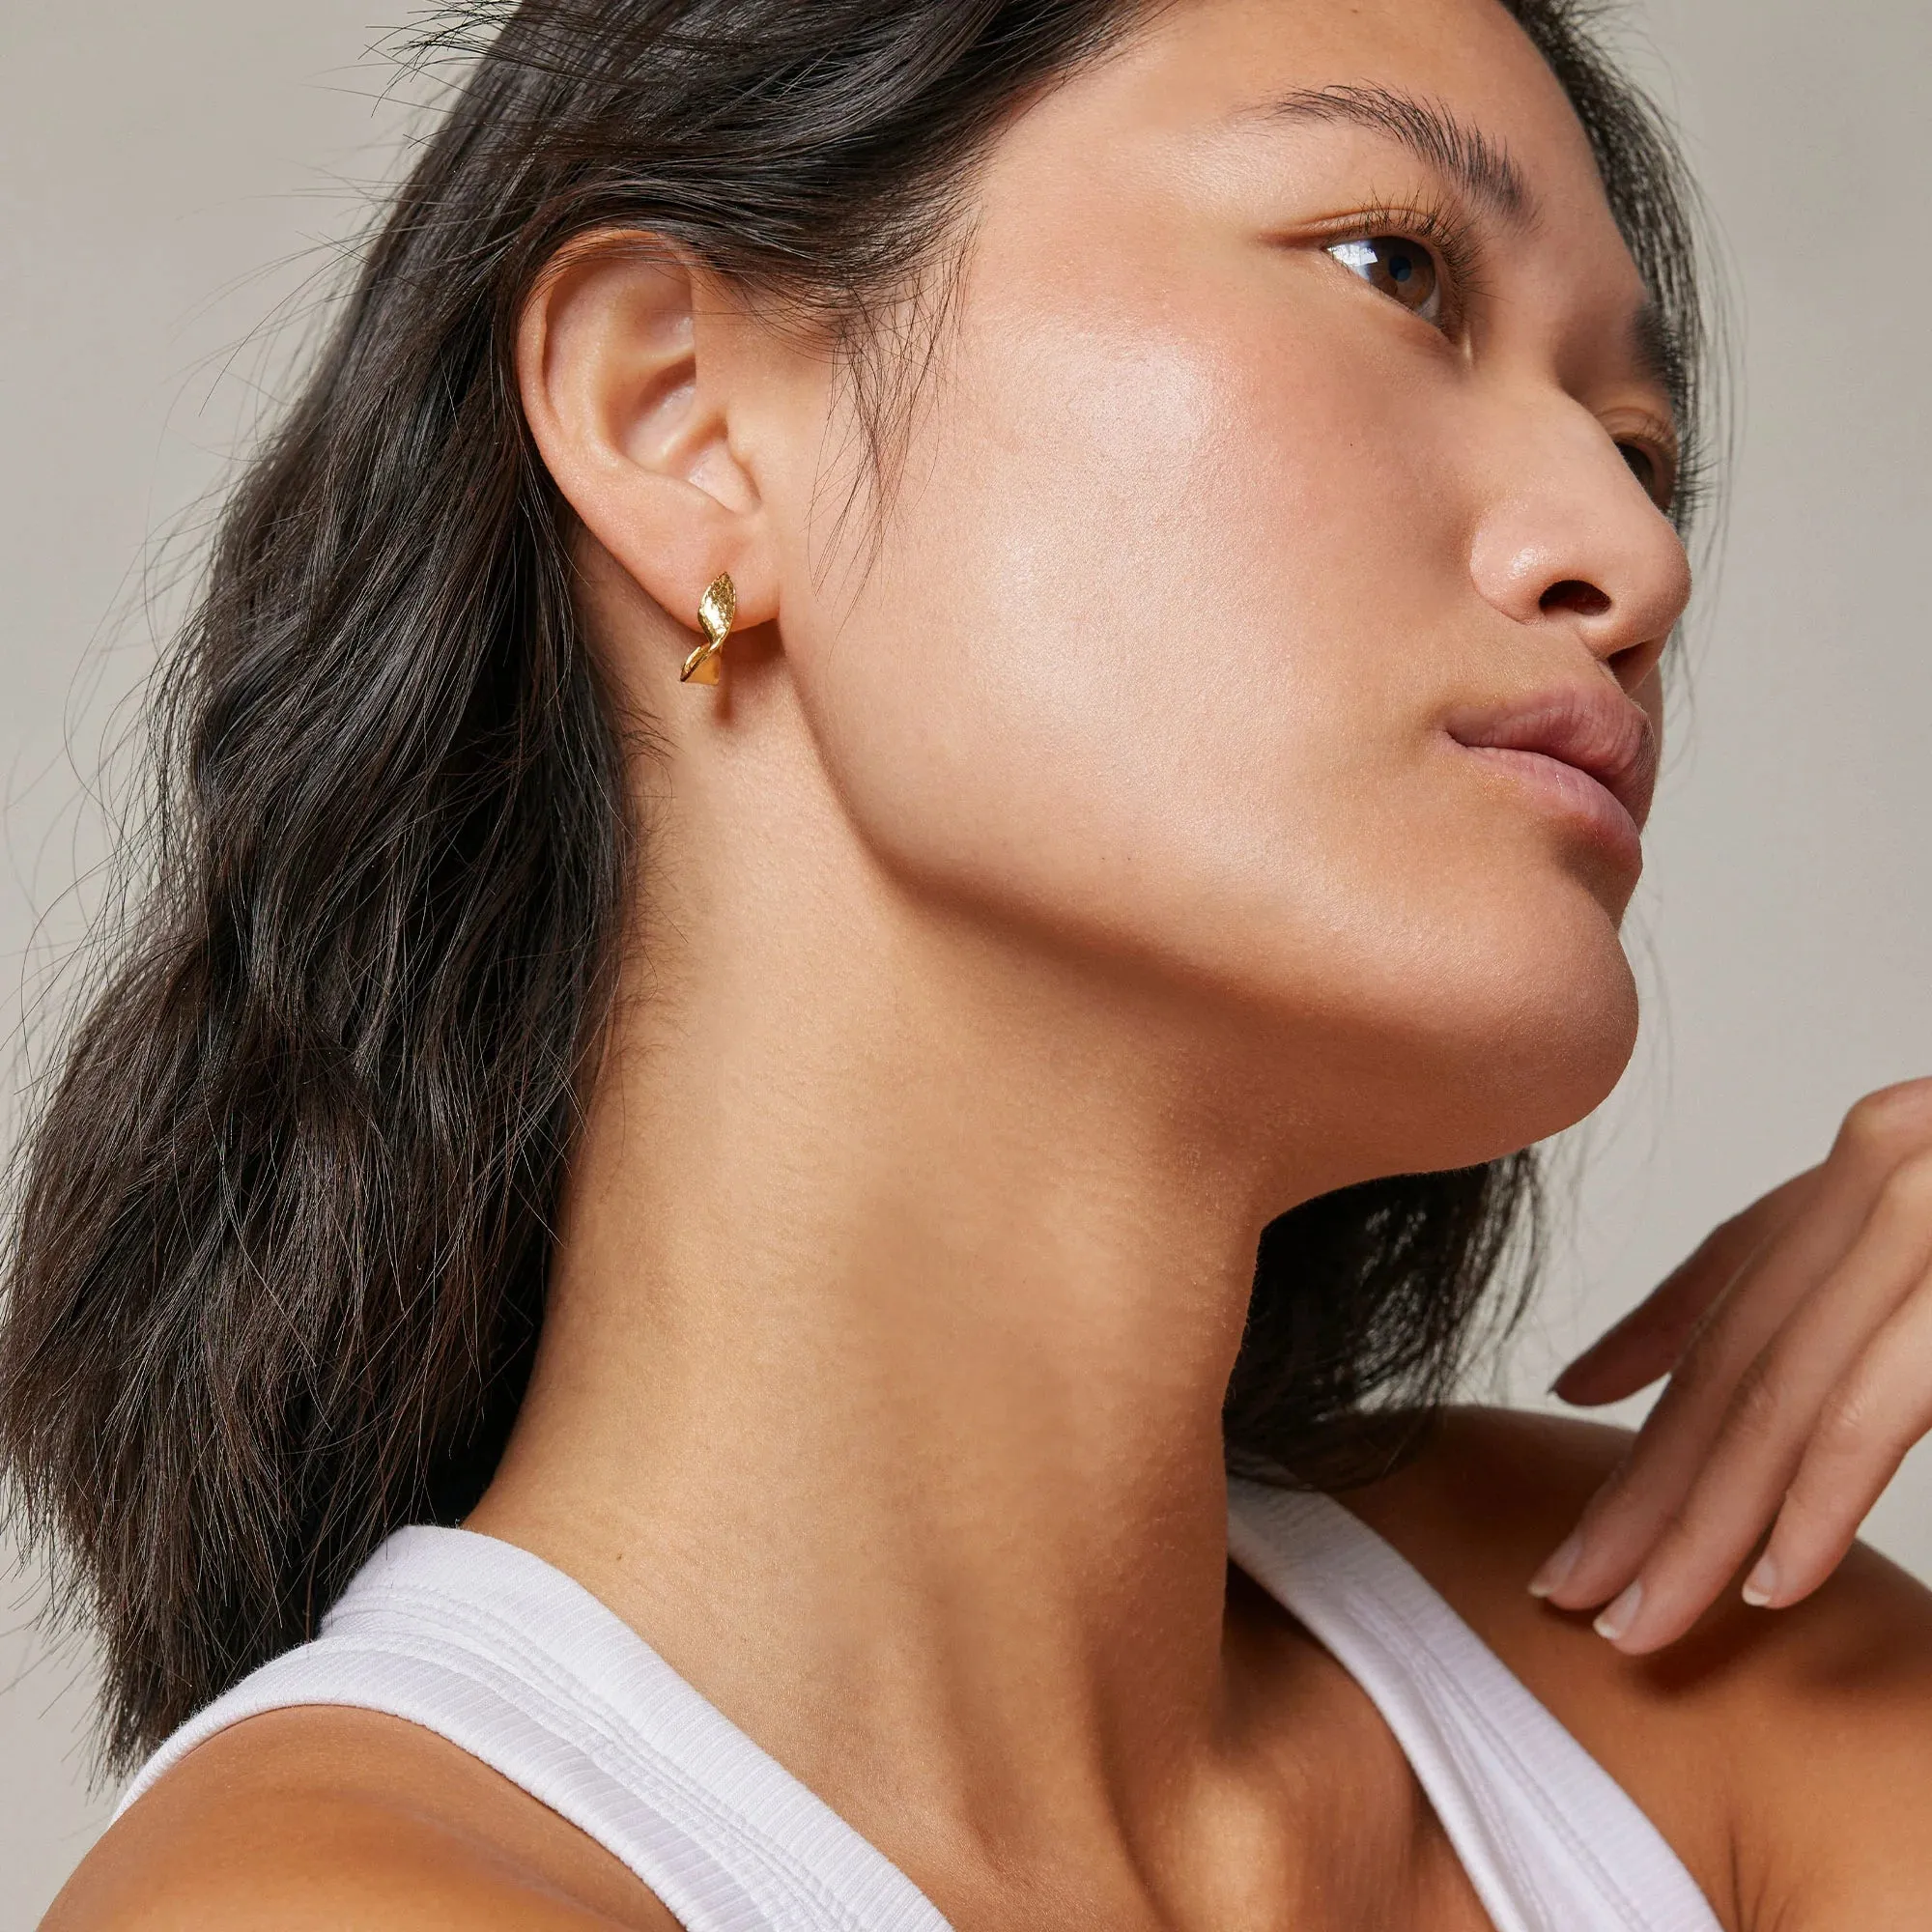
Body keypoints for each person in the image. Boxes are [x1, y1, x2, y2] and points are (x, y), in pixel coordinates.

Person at [11, 0, 1932, 1925]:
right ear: (681, 416)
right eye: (1393, 269)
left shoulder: (1704, 1681)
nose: (1635, 558)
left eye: (1637, 447)